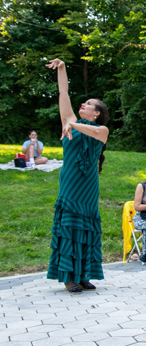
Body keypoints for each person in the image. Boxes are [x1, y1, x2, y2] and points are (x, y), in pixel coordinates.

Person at [45, 58, 109, 295]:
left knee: (87, 228)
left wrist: (73, 126)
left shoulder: (101, 130)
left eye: (89, 104)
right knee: (70, 226)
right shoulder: (69, 122)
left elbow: (93, 131)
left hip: (89, 187)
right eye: (84, 102)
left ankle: (83, 276)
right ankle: (68, 277)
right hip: (71, 183)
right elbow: (63, 92)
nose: (84, 104)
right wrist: (62, 68)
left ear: (97, 113)